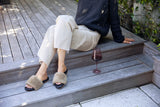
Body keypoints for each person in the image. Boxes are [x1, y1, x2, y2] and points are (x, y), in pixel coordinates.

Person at [25, 0, 134, 91]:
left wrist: (119, 38)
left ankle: (57, 69)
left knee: (60, 22)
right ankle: (44, 71)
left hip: (92, 34)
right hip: (79, 29)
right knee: (55, 27)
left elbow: (114, 17)